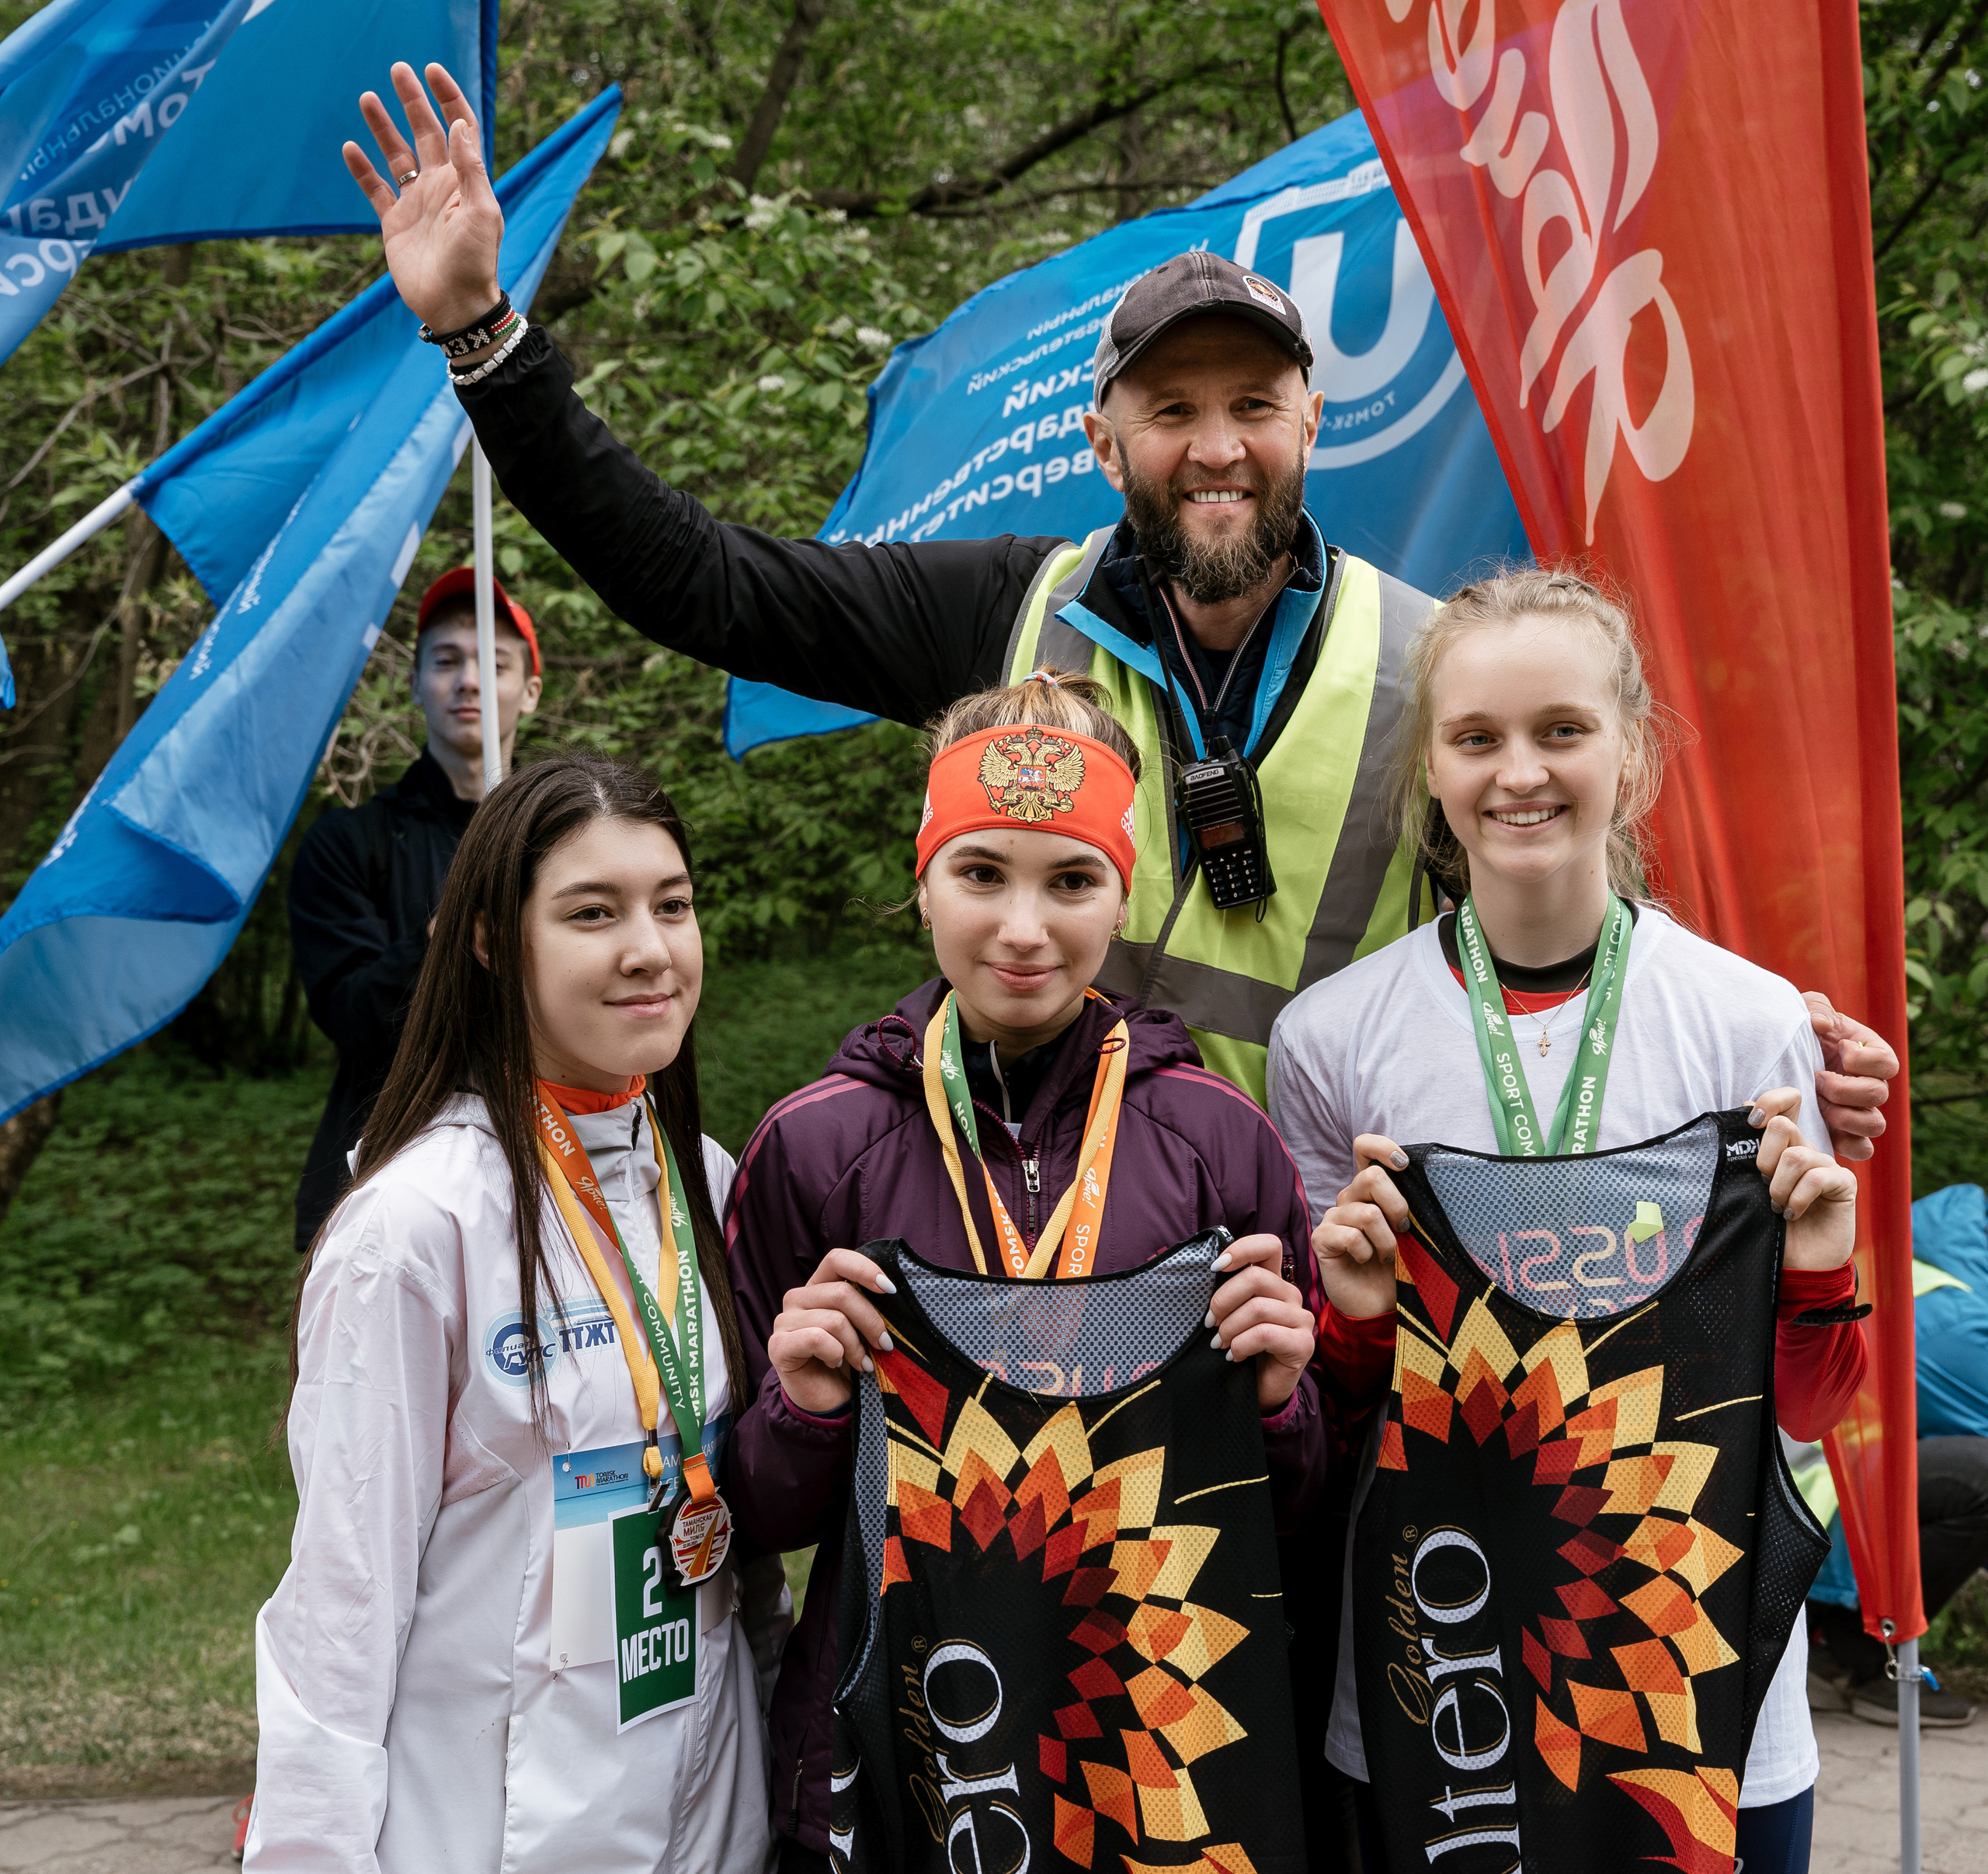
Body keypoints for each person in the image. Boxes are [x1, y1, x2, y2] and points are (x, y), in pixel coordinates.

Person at [334, 61, 1898, 1145]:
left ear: (1310, 422)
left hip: (1332, 1259)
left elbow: (1570, 911)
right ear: (1102, 440)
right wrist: (480, 334)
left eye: (1249, 404)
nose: (1212, 445)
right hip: (1048, 1239)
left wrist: (1762, 1055)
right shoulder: (1000, 621)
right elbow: (695, 577)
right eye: (1169, 409)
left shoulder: (1436, 662)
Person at [717, 670, 1390, 1872]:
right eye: (982, 873)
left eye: (1070, 880)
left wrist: (1283, 1404)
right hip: (905, 1738)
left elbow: (1295, 1511)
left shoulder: (1216, 1138)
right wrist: (803, 1410)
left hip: (1156, 1731)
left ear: (1120, 895)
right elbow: (753, 1518)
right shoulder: (813, 1148)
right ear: (921, 879)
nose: (1024, 928)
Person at [1267, 571, 1870, 1874]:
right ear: (1428, 765)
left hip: (1703, 1683)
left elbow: (1809, 1410)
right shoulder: (1329, 1042)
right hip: (1447, 1668)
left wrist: (1824, 1282)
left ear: (1634, 754)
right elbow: (1338, 1407)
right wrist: (1360, 1329)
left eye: (1562, 729)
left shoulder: (1746, 1024)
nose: (1519, 772)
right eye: (1477, 737)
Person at [248, 753, 768, 1873]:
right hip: (489, 1833)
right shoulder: (413, 1228)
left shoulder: (710, 1182)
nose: (649, 948)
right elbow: (340, 1607)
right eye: (592, 912)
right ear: (491, 940)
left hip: (716, 1819)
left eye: (671, 905)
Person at [288, 567, 542, 1249]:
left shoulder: (567, 846)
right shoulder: (347, 843)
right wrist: (452, 931)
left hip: (552, 1174)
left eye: (494, 663)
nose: (469, 681)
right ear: (415, 684)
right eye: (446, 661)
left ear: (530, 690)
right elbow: (351, 1015)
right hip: (390, 1185)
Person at [1799, 1177, 1988, 1727]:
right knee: (1980, 1479)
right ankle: (1863, 1655)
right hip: (1814, 1495)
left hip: (1815, 1484)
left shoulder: (1925, 1269)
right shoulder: (1953, 1320)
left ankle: (1834, 1644)